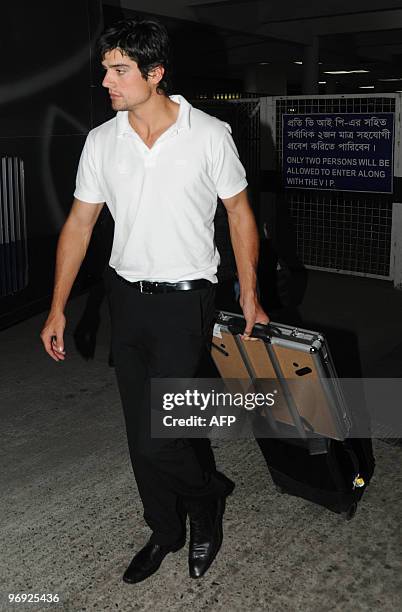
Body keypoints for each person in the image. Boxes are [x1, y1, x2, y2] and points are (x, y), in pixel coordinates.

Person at [40, 18, 268, 584]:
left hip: (185, 301)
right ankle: (165, 528)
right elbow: (79, 224)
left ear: (155, 73)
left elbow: (240, 214)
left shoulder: (209, 134)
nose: (107, 82)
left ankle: (207, 499)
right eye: (106, 70)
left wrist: (252, 295)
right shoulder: (102, 140)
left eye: (118, 71)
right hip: (127, 298)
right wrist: (57, 306)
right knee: (140, 433)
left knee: (160, 433)